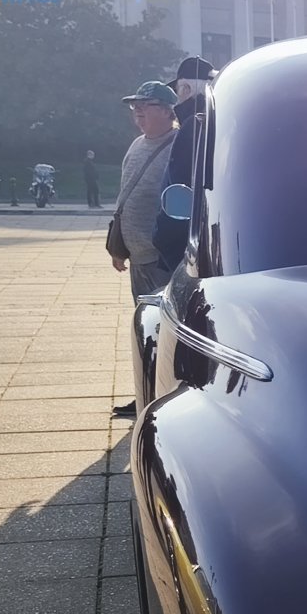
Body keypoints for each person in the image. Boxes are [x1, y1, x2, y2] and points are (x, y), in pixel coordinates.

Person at [110, 80, 178, 418]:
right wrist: (118, 247)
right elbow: (125, 195)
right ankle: (144, 394)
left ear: (167, 111)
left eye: (146, 105)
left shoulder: (178, 145)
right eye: (134, 105)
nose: (137, 111)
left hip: (161, 256)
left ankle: (163, 396)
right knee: (144, 329)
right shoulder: (137, 144)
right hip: (137, 255)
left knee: (163, 330)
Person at [153, 56, 217, 273]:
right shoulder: (221, 122)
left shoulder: (193, 127)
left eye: (178, 91)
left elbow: (180, 194)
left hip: (187, 254)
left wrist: (163, 241)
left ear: (187, 89)